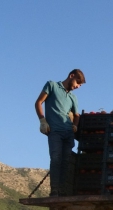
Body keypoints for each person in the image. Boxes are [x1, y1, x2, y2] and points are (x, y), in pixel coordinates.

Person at [35, 69, 85, 197]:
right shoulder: (52, 86)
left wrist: (75, 126)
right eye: (77, 83)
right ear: (71, 76)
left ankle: (63, 190)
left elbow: (77, 115)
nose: (77, 87)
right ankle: (55, 190)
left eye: (79, 85)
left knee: (66, 161)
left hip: (68, 133)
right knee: (56, 159)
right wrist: (42, 120)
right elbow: (38, 102)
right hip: (55, 132)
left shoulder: (73, 97)